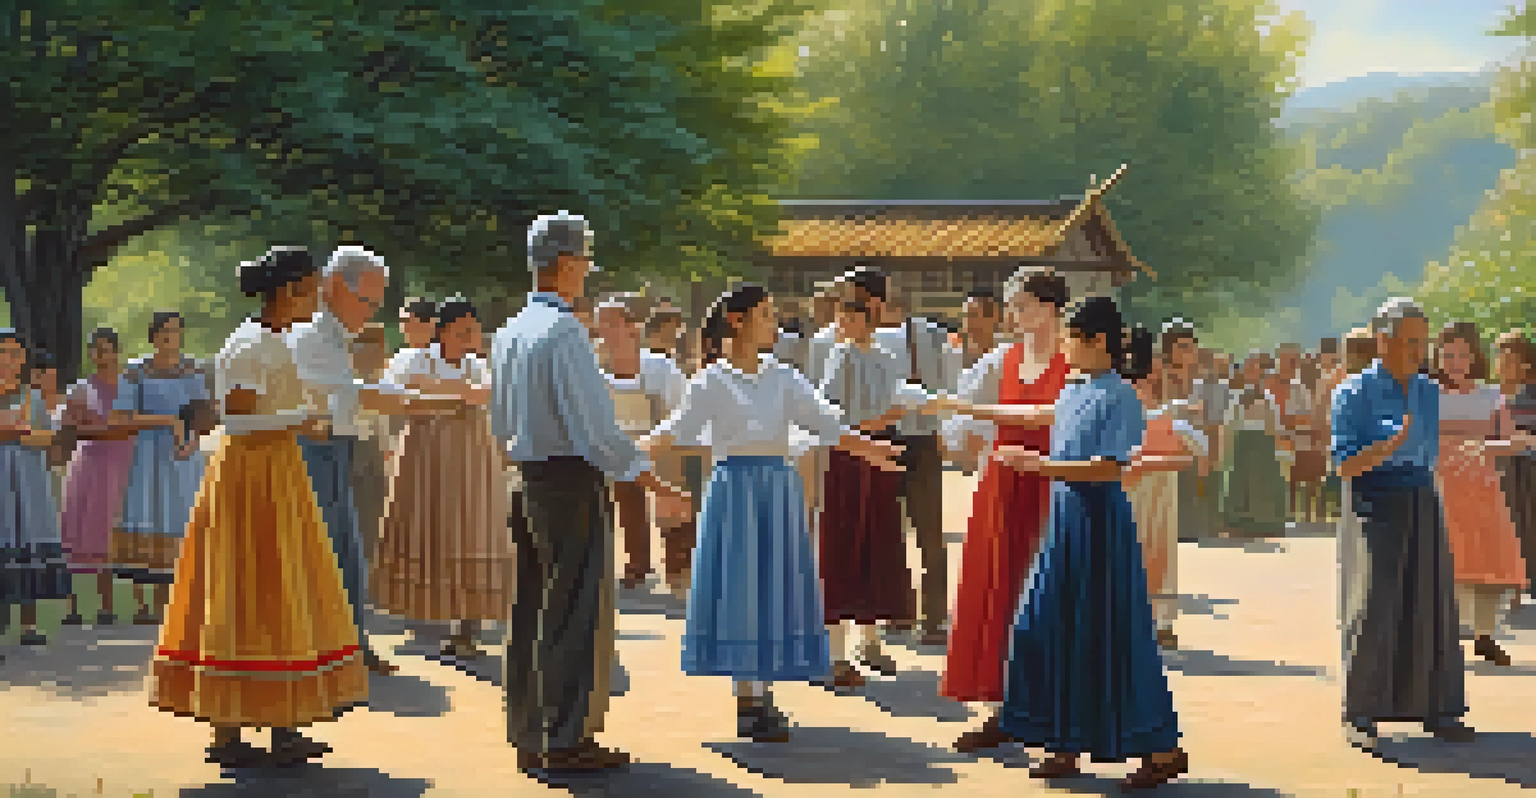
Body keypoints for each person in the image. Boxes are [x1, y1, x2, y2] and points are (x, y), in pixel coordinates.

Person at [643, 283, 902, 742]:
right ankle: (750, 699)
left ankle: (761, 694)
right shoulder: (711, 380)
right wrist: (627, 451)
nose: (774, 322)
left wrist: (868, 449)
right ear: (737, 321)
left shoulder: (783, 376)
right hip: (733, 490)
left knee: (771, 586)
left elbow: (825, 421)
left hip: (778, 489)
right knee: (742, 588)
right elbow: (675, 429)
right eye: (765, 314)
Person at [152, 246, 369, 769]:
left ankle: (281, 721)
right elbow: (238, 421)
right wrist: (299, 419)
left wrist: (301, 417)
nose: (317, 298)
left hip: (277, 472)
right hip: (249, 475)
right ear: (288, 291)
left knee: (282, 587)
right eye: (312, 287)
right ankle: (228, 728)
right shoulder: (249, 344)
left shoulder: (278, 339)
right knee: (244, 587)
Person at [492, 212, 688, 773]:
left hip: (525, 477)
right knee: (576, 609)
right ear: (567, 264)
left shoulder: (510, 332)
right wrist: (654, 483)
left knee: (531, 604)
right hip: (569, 480)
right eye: (582, 262)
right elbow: (597, 431)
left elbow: (499, 420)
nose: (584, 273)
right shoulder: (564, 334)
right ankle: (567, 735)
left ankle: (529, 728)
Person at [992, 296, 1188, 789]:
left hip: (1100, 523)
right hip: (1065, 521)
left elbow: (1110, 467)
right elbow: (1045, 423)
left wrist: (1041, 467)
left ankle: (1160, 748)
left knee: (1112, 634)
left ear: (1098, 342)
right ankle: (1062, 740)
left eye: (1071, 338)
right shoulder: (1074, 390)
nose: (1063, 347)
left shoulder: (1120, 396)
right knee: (1045, 627)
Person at [1333, 298, 1473, 750]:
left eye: (1423, 342)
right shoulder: (1352, 392)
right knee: (1374, 602)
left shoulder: (1428, 390)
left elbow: (1428, 451)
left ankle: (1438, 707)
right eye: (1410, 341)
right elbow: (1344, 466)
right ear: (1383, 340)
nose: (1419, 350)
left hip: (1420, 496)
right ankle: (1360, 712)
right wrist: (1383, 448)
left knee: (1430, 600)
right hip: (1373, 498)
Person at [941, 270, 1071, 753]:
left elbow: (1047, 416)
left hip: (1053, 482)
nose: (1012, 316)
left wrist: (958, 409)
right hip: (1002, 482)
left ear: (1049, 307)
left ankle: (1053, 709)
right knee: (1000, 588)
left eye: (1020, 306)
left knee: (1047, 592)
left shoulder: (1071, 359)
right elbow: (962, 424)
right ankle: (1002, 707)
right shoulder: (1003, 358)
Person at [285, 245, 404, 675]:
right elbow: (347, 397)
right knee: (329, 553)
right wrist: (420, 400)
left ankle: (348, 643)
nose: (370, 313)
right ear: (335, 287)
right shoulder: (309, 335)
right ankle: (331, 650)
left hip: (338, 449)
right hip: (314, 451)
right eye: (366, 302)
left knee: (348, 554)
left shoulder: (334, 337)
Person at [374, 297, 510, 660]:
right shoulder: (414, 359)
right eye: (463, 331)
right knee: (429, 526)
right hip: (426, 454)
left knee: (471, 528)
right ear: (442, 332)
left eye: (475, 330)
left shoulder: (477, 365)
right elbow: (391, 395)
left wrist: (441, 393)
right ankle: (427, 616)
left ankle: (465, 626)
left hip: (470, 453)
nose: (471, 338)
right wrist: (451, 396)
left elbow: (491, 395)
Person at [817, 297, 942, 687]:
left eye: (851, 315)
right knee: (841, 544)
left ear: (868, 320)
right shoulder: (839, 355)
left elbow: (899, 400)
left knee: (880, 542)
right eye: (841, 315)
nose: (844, 322)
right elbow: (829, 411)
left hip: (883, 451)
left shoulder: (888, 356)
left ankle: (869, 640)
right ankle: (836, 652)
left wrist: (892, 417)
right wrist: (874, 421)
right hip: (848, 453)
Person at [861, 266, 961, 645]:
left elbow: (950, 384)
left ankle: (932, 616)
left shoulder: (932, 337)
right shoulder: (856, 342)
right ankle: (899, 610)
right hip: (883, 437)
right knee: (889, 528)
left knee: (928, 529)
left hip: (921, 437)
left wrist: (946, 432)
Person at [1432, 323, 1531, 665]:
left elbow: (1511, 440)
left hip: (1481, 487)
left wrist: (1490, 445)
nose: (1455, 361)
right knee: (1446, 561)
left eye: (1462, 354)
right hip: (1440, 486)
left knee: (1486, 564)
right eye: (1448, 354)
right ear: (1437, 357)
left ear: (1475, 357)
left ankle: (1484, 635)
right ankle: (1446, 635)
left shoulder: (1491, 396)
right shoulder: (1425, 393)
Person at [109, 311, 209, 623]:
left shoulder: (192, 370)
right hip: (147, 455)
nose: (170, 338)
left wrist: (192, 440)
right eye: (164, 332)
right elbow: (120, 418)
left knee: (180, 517)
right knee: (146, 514)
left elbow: (202, 415)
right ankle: (142, 607)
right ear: (153, 336)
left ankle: (175, 606)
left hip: (182, 455)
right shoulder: (135, 371)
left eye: (176, 331)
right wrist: (167, 420)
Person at [595, 295, 687, 591]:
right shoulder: (593, 370)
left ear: (632, 328)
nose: (603, 329)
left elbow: (680, 411)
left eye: (611, 322)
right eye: (601, 323)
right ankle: (636, 564)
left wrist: (659, 443)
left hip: (662, 444)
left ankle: (678, 564)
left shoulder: (661, 368)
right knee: (624, 500)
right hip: (617, 446)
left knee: (670, 500)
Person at [1125, 353, 1205, 650]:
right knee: (1135, 553)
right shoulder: (1125, 406)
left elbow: (1191, 452)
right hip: (1132, 490)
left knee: (1160, 556)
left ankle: (1161, 622)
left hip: (1160, 491)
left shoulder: (1167, 412)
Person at [58, 329, 137, 626]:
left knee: (109, 534)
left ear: (116, 352)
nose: (101, 356)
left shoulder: (130, 387)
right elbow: (73, 428)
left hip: (122, 464)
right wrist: (111, 429)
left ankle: (107, 607)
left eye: (107, 350)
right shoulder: (81, 388)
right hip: (89, 465)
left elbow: (137, 423)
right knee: (77, 530)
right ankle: (72, 607)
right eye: (96, 350)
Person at [0, 332, 69, 647]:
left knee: (27, 540)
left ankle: (28, 625)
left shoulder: (34, 397)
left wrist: (20, 433)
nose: (9, 360)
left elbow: (48, 438)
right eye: (4, 352)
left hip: (28, 480)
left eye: (15, 353)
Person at [1221, 354, 1286, 537]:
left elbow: (1273, 425)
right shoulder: (1237, 399)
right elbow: (1230, 424)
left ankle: (1265, 522)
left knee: (1263, 482)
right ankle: (1241, 522)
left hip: (1262, 444)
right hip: (1245, 444)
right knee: (1242, 482)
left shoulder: (1267, 399)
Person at [1495, 331, 1536, 600]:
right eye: (1500, 357)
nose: (1503, 364)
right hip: (1500, 470)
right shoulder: (1490, 396)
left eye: (1511, 359)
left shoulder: (1531, 396)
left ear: (1526, 364)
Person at [349, 322, 391, 566]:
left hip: (372, 450)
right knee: (362, 511)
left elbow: (382, 424)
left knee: (372, 511)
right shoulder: (353, 384)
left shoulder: (380, 382)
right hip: (356, 450)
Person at [960, 290, 1000, 369]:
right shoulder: (950, 351)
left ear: (994, 317)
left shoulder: (1006, 355)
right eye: (965, 315)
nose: (968, 321)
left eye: (973, 315)